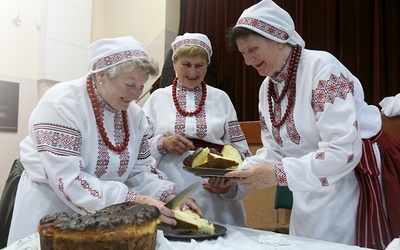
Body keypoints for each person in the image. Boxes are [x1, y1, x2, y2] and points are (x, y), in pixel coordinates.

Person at [224, 0, 400, 249]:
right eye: (243, 53)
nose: (248, 61)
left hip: (347, 182)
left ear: (278, 39)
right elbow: (274, 151)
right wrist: (235, 173)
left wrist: (279, 174)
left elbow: (342, 151)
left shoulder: (322, 68)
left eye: (253, 49)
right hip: (305, 185)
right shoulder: (268, 88)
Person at [7, 36, 201, 245]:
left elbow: (141, 170)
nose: (136, 95)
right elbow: (67, 180)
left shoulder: (134, 116)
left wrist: (168, 197)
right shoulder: (62, 104)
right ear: (101, 75)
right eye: (129, 84)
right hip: (51, 206)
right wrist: (133, 199)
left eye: (141, 86)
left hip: (107, 215)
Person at [143, 33, 252, 227]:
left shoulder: (221, 99)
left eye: (199, 65)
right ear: (174, 63)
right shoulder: (157, 98)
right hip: (169, 188)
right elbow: (137, 151)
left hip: (213, 193)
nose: (193, 72)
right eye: (186, 64)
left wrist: (227, 186)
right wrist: (163, 143)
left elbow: (241, 151)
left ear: (207, 65)